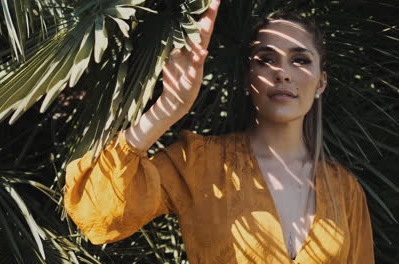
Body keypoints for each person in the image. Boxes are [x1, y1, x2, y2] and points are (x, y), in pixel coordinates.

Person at [63, 0, 375, 263]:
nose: (282, 73)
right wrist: (167, 109)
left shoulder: (345, 191)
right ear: (246, 77)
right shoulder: (198, 163)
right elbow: (98, 216)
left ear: (321, 81)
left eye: (300, 60)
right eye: (266, 60)